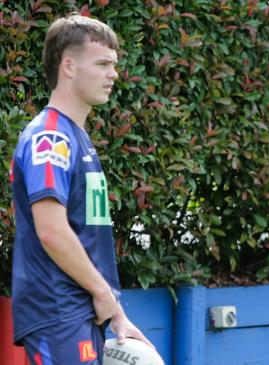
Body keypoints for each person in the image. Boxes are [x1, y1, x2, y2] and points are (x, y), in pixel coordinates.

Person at [9, 14, 152, 365]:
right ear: (69, 66)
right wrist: (103, 294)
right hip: (59, 312)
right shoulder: (50, 138)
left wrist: (115, 312)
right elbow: (52, 231)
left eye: (114, 65)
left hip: (79, 313)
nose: (113, 74)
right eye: (103, 64)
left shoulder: (75, 137)